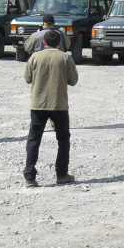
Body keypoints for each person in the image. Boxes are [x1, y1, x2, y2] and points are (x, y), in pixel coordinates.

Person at [23, 29, 79, 186]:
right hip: (59, 104)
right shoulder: (65, 57)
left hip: (38, 104)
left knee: (34, 139)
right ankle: (61, 174)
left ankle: (30, 176)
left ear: (44, 42)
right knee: (63, 140)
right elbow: (73, 80)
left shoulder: (35, 57)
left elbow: (27, 78)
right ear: (59, 42)